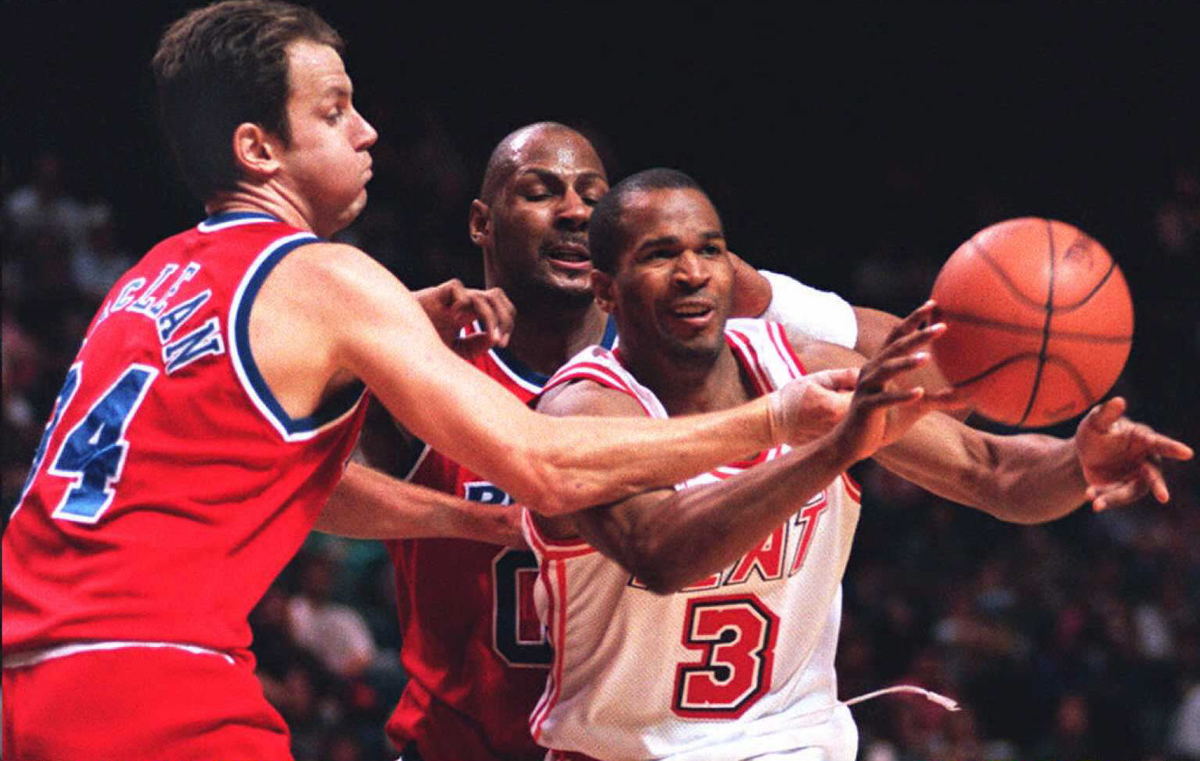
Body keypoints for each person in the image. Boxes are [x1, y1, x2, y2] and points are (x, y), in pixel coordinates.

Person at [0, 5, 844, 759]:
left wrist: (472, 519)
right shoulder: (325, 276)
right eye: (333, 112)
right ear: (258, 150)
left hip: (30, 674)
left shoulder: (154, 275)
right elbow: (544, 464)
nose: (367, 132)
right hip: (151, 681)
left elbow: (282, 483)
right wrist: (778, 419)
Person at [523, 168, 1193, 761]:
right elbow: (661, 551)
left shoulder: (808, 367)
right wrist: (833, 448)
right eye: (660, 254)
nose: (694, 271)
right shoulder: (584, 412)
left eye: (710, 250)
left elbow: (991, 471)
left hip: (796, 742)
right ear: (606, 291)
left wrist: (1077, 465)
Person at [343, 121, 899, 761]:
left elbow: (921, 366)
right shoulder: (428, 365)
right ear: (481, 223)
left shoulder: (679, 362)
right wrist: (399, 318)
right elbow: (296, 468)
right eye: (541, 191)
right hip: (462, 743)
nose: (576, 210)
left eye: (591, 194)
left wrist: (769, 294)